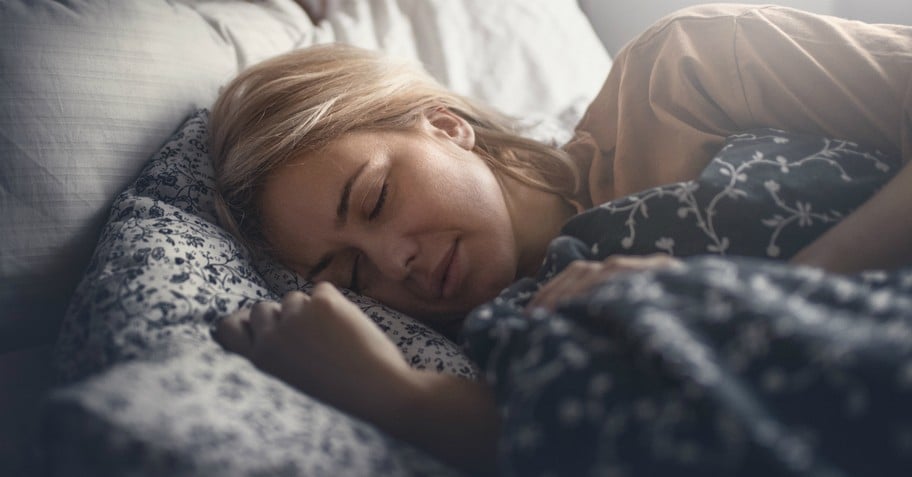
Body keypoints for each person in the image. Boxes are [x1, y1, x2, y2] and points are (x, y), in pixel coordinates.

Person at [210, 4, 912, 475]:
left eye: (376, 198)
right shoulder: (506, 337)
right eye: (353, 275)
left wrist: (786, 283)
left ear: (446, 125)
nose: (396, 262)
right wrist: (394, 394)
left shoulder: (680, 71)